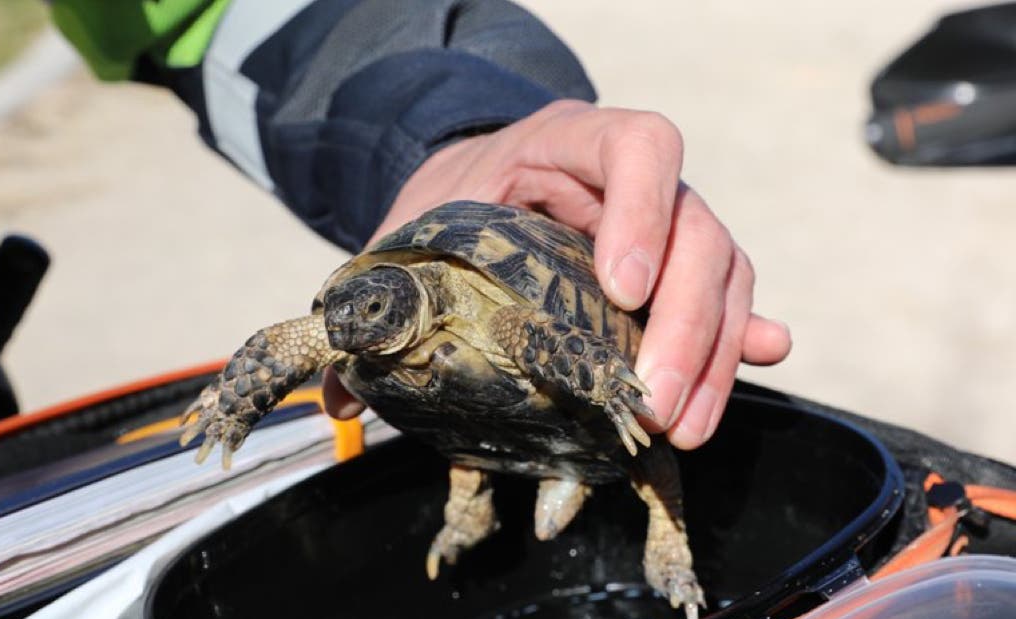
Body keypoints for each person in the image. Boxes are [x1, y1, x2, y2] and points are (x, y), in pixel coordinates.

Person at [50, 0, 791, 449]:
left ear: (406, 299)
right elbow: (301, 337)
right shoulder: (351, 322)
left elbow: (253, 21)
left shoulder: (500, 322)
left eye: (369, 307)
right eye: (346, 315)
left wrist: (443, 132)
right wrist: (240, 396)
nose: (341, 327)